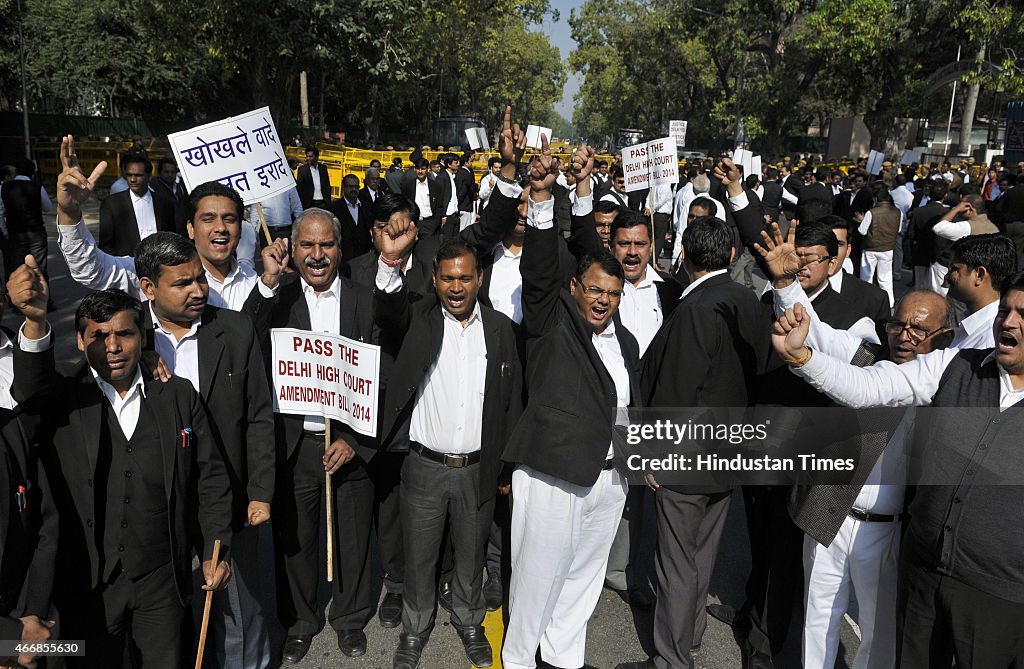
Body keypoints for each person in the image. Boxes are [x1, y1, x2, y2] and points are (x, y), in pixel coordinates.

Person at [773, 271, 1024, 667]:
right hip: (831, 517)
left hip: (896, 537)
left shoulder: (952, 380)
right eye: (897, 325)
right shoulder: (873, 361)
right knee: (818, 621)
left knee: (881, 636)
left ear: (943, 337)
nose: (903, 336)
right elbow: (835, 357)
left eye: (918, 329)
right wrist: (799, 343)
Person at [14, 283, 232, 669]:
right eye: (99, 336)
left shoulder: (178, 396)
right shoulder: (64, 400)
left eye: (125, 334)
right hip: (88, 588)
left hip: (162, 581)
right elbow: (30, 389)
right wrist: (34, 320)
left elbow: (210, 479)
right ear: (80, 341)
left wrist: (217, 548)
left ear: (142, 338)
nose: (112, 347)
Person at [502, 141, 639, 669]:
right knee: (536, 587)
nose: (602, 299)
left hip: (609, 483)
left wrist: (585, 189)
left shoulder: (623, 341)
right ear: (575, 290)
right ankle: (518, 662)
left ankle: (562, 661)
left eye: (612, 292)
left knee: (581, 591)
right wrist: (543, 198)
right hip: (554, 477)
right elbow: (540, 272)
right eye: (593, 291)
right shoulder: (552, 323)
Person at [616, 216, 772, 669]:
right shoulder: (746, 299)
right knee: (702, 555)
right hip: (727, 452)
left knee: (676, 563)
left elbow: (677, 391)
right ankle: (691, 635)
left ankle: (671, 657)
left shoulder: (695, 308)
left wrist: (654, 454)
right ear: (730, 256)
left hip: (685, 456)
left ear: (683, 254)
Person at [374, 219, 523, 669]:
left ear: (480, 279)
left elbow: (511, 401)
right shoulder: (418, 319)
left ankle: (470, 621)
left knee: (471, 553)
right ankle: (415, 630)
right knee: (419, 558)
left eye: (464, 278)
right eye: (447, 278)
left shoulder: (499, 330)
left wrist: (507, 467)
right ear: (434, 280)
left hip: (478, 468)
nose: (456, 287)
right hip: (423, 466)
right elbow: (388, 309)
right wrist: (391, 259)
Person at [131, 232, 277, 669]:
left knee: (239, 607)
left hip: (228, 495)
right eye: (183, 284)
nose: (199, 290)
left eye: (200, 279)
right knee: (164, 610)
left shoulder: (234, 329)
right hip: (157, 502)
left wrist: (260, 491)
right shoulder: (126, 333)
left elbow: (258, 416)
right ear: (148, 287)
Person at [245, 208, 377, 664]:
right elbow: (247, 336)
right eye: (307, 246)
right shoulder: (277, 296)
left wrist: (356, 441)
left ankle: (351, 618)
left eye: (326, 246)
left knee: (354, 537)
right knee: (297, 538)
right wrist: (267, 282)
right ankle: (301, 621)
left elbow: (384, 375)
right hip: (296, 442)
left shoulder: (365, 299)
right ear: (293, 249)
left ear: (341, 250)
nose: (317, 256)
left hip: (348, 440)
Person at [56, 136, 262, 312]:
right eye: (208, 219)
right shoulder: (157, 271)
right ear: (190, 228)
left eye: (229, 219)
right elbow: (91, 270)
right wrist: (69, 213)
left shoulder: (254, 282)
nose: (221, 228)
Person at [0, 259, 58, 669]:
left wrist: (36, 321)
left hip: (35, 612)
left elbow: (37, 408)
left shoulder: (15, 349)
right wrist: (8, 636)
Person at [943, 233, 1017, 348]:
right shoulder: (976, 325)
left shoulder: (990, 338)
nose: (946, 276)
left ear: (979, 275)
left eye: (955, 269)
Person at [99, 152, 177, 257]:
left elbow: (171, 238)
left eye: (138, 175)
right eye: (129, 175)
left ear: (149, 176)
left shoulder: (164, 203)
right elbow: (105, 245)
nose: (132, 179)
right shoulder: (112, 204)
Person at [0, 159, 53, 292]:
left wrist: (5, 231)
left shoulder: (5, 188)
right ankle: (43, 297)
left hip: (15, 233)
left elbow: (0, 212)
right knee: (39, 267)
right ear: (32, 172)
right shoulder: (37, 187)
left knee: (16, 268)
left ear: (16, 172)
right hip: (36, 231)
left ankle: (16, 300)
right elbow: (47, 208)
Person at [858, 190, 901, 308]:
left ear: (877, 199)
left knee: (867, 276)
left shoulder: (871, 212)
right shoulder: (897, 212)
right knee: (885, 277)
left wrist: (861, 220)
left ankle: (865, 300)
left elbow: (862, 231)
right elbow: (898, 230)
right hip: (887, 248)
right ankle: (890, 302)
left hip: (870, 248)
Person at [327, 174, 373, 261]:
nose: (354, 189)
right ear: (343, 187)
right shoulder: (334, 208)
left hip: (363, 258)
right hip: (343, 258)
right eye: (351, 187)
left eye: (356, 187)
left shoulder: (366, 207)